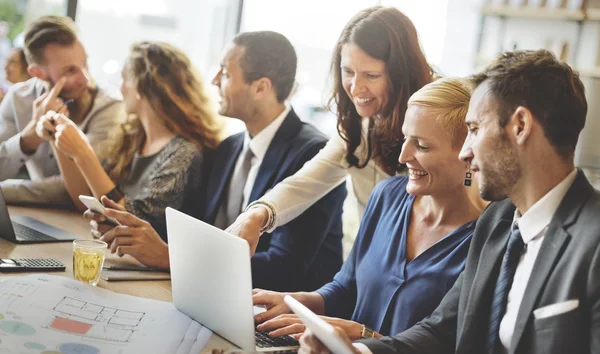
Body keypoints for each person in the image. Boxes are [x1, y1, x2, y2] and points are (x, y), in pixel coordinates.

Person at [299, 49, 600, 354]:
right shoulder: (497, 222)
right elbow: (440, 331)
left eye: (474, 129)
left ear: (520, 126)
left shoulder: (593, 241)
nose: (466, 152)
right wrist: (356, 351)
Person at [85, 32, 346, 283]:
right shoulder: (229, 148)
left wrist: (171, 257)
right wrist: (129, 236)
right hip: (216, 294)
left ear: (260, 88)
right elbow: (198, 229)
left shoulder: (311, 153)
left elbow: (285, 268)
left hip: (280, 314)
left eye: (226, 72)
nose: (214, 80)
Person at [251, 78, 485, 340]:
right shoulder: (387, 197)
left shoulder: (489, 239)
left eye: (422, 146)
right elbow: (346, 288)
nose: (403, 156)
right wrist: (296, 302)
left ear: (468, 153)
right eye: (405, 138)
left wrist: (364, 336)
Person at [225, 6, 434, 255]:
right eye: (348, 72)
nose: (356, 88)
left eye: (371, 75)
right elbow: (307, 181)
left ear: (400, 74)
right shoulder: (358, 128)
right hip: (374, 263)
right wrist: (258, 214)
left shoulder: (437, 120)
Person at [35, 41, 223, 240]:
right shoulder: (133, 138)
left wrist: (83, 153)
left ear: (142, 86)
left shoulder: (184, 152)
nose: (122, 88)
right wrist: (57, 138)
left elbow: (134, 220)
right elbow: (84, 200)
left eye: (125, 79)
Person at [0, 16, 123, 206]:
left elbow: (77, 190)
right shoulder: (18, 99)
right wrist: (29, 138)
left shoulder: (109, 107)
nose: (85, 78)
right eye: (70, 71)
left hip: (84, 224)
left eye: (85, 63)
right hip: (37, 217)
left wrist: (4, 192)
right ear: (37, 73)